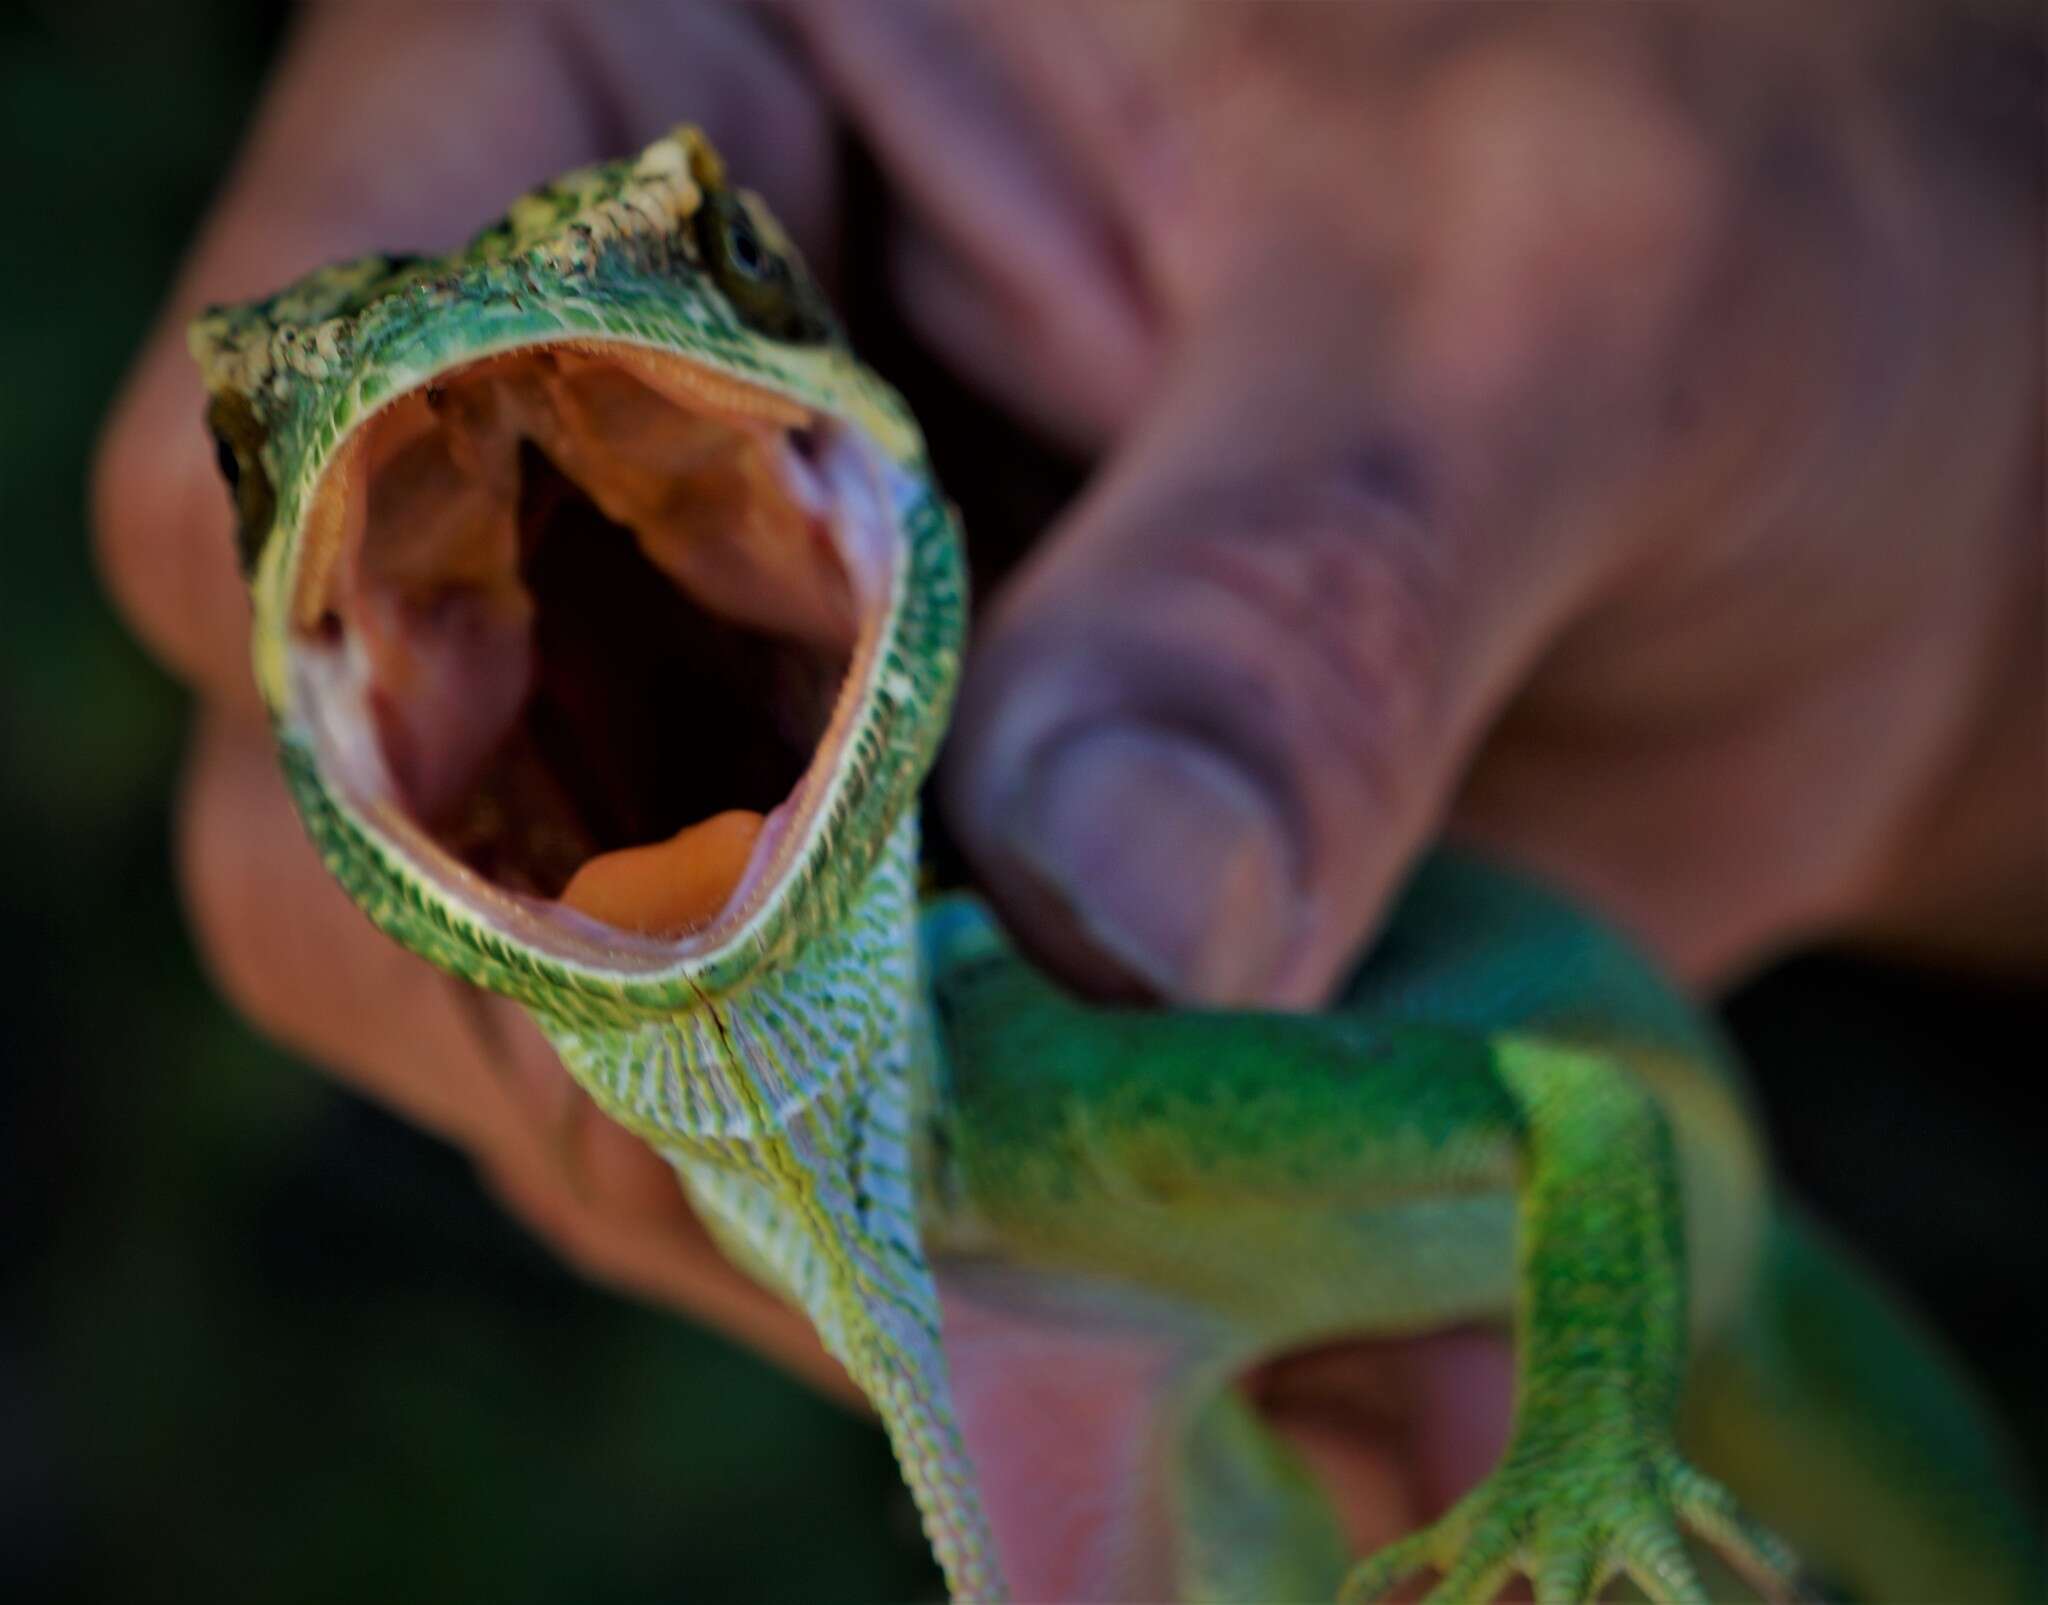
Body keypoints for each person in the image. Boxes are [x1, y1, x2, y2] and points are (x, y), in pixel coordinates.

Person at [93, 1, 2042, 1587]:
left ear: (901, 492)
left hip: (1724, 1284)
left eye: (731, 262)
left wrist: (1586, 1434)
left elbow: (1588, 1111)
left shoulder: (1061, 1093)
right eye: (267, 441)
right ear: (352, 769)